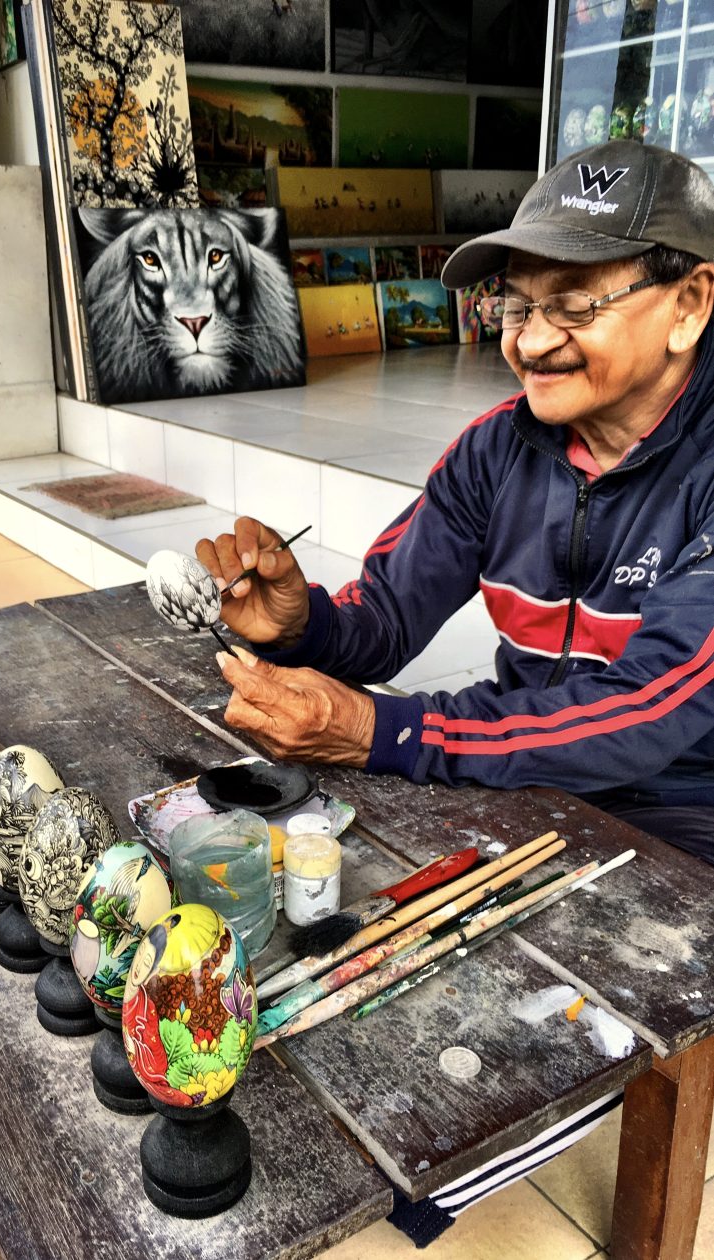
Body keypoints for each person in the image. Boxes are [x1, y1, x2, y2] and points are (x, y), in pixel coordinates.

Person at [197, 138, 714, 867]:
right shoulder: (496, 450)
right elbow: (386, 617)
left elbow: (646, 711)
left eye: (572, 304)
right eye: (517, 305)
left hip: (685, 805)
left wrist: (390, 730)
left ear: (687, 306)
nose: (532, 342)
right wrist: (300, 626)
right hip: (522, 771)